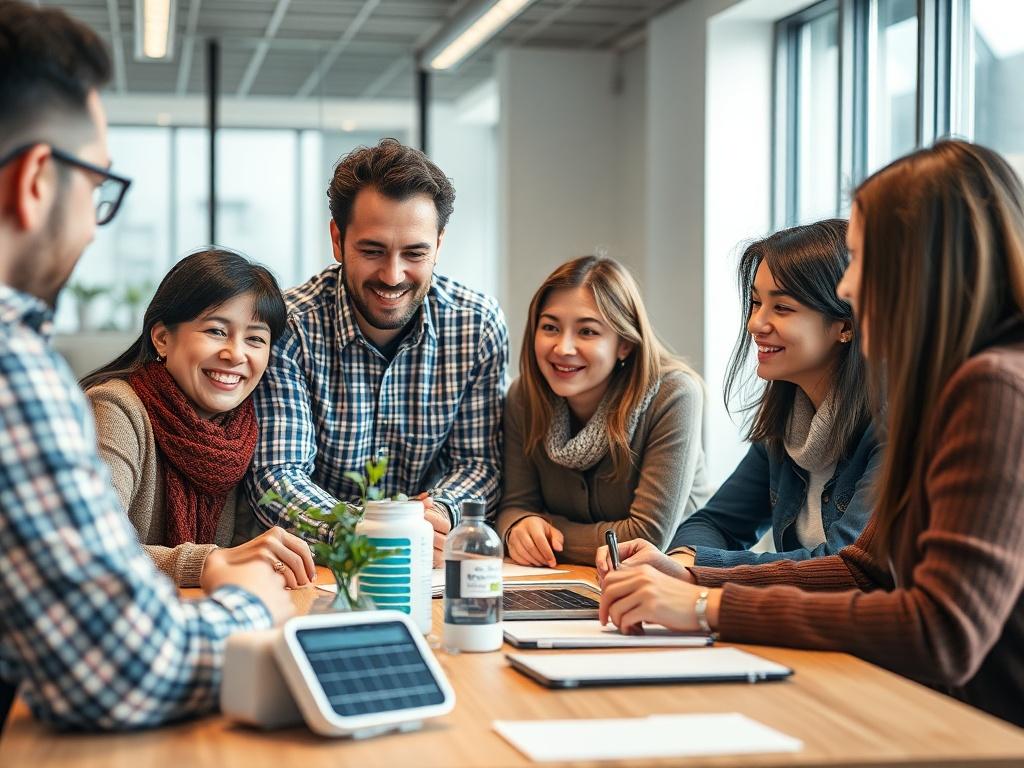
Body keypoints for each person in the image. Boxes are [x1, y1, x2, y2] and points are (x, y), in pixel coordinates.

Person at [599, 140, 1024, 727]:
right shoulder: (953, 384)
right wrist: (696, 576)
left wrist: (704, 605)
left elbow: (943, 633)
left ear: (921, 264)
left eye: (862, 260)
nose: (848, 290)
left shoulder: (995, 387)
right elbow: (863, 570)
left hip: (983, 733)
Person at [0, 1, 292, 731]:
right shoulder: (25, 378)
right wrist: (249, 599)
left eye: (253, 338)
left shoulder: (253, 432)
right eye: (96, 188)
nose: (236, 355)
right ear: (39, 179)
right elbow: (123, 666)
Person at [246, 139, 508, 565]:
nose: (393, 274)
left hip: (433, 565)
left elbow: (480, 464)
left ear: (439, 245)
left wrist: (440, 513)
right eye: (372, 251)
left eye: (415, 253)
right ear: (337, 239)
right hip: (322, 569)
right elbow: (277, 477)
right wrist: (378, 534)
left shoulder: (476, 325)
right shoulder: (288, 326)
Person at [597, 220, 880, 577]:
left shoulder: (892, 426)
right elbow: (715, 524)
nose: (755, 323)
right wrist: (682, 560)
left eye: (782, 308)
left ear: (846, 325)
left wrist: (693, 569)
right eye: (757, 303)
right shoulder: (789, 421)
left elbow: (841, 564)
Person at [81, 250, 315, 590]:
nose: (235, 354)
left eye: (255, 339)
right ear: (162, 338)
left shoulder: (241, 433)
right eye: (217, 331)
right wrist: (208, 562)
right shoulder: (115, 408)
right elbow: (91, 546)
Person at [498, 256, 712, 566]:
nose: (563, 348)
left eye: (587, 332)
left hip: (672, 580)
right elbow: (515, 505)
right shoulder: (523, 396)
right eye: (550, 327)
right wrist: (517, 526)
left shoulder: (674, 394)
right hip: (571, 579)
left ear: (624, 343)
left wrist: (544, 535)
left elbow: (646, 535)